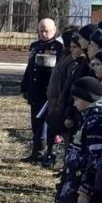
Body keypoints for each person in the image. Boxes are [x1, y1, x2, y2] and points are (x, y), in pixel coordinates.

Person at [20, 18, 65, 163]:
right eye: (41, 31)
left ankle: (44, 153)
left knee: (45, 125)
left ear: (54, 30)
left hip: (48, 92)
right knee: (36, 123)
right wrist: (24, 86)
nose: (43, 34)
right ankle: (36, 151)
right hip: (35, 91)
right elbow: (30, 67)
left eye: (47, 31)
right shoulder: (34, 46)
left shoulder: (58, 48)